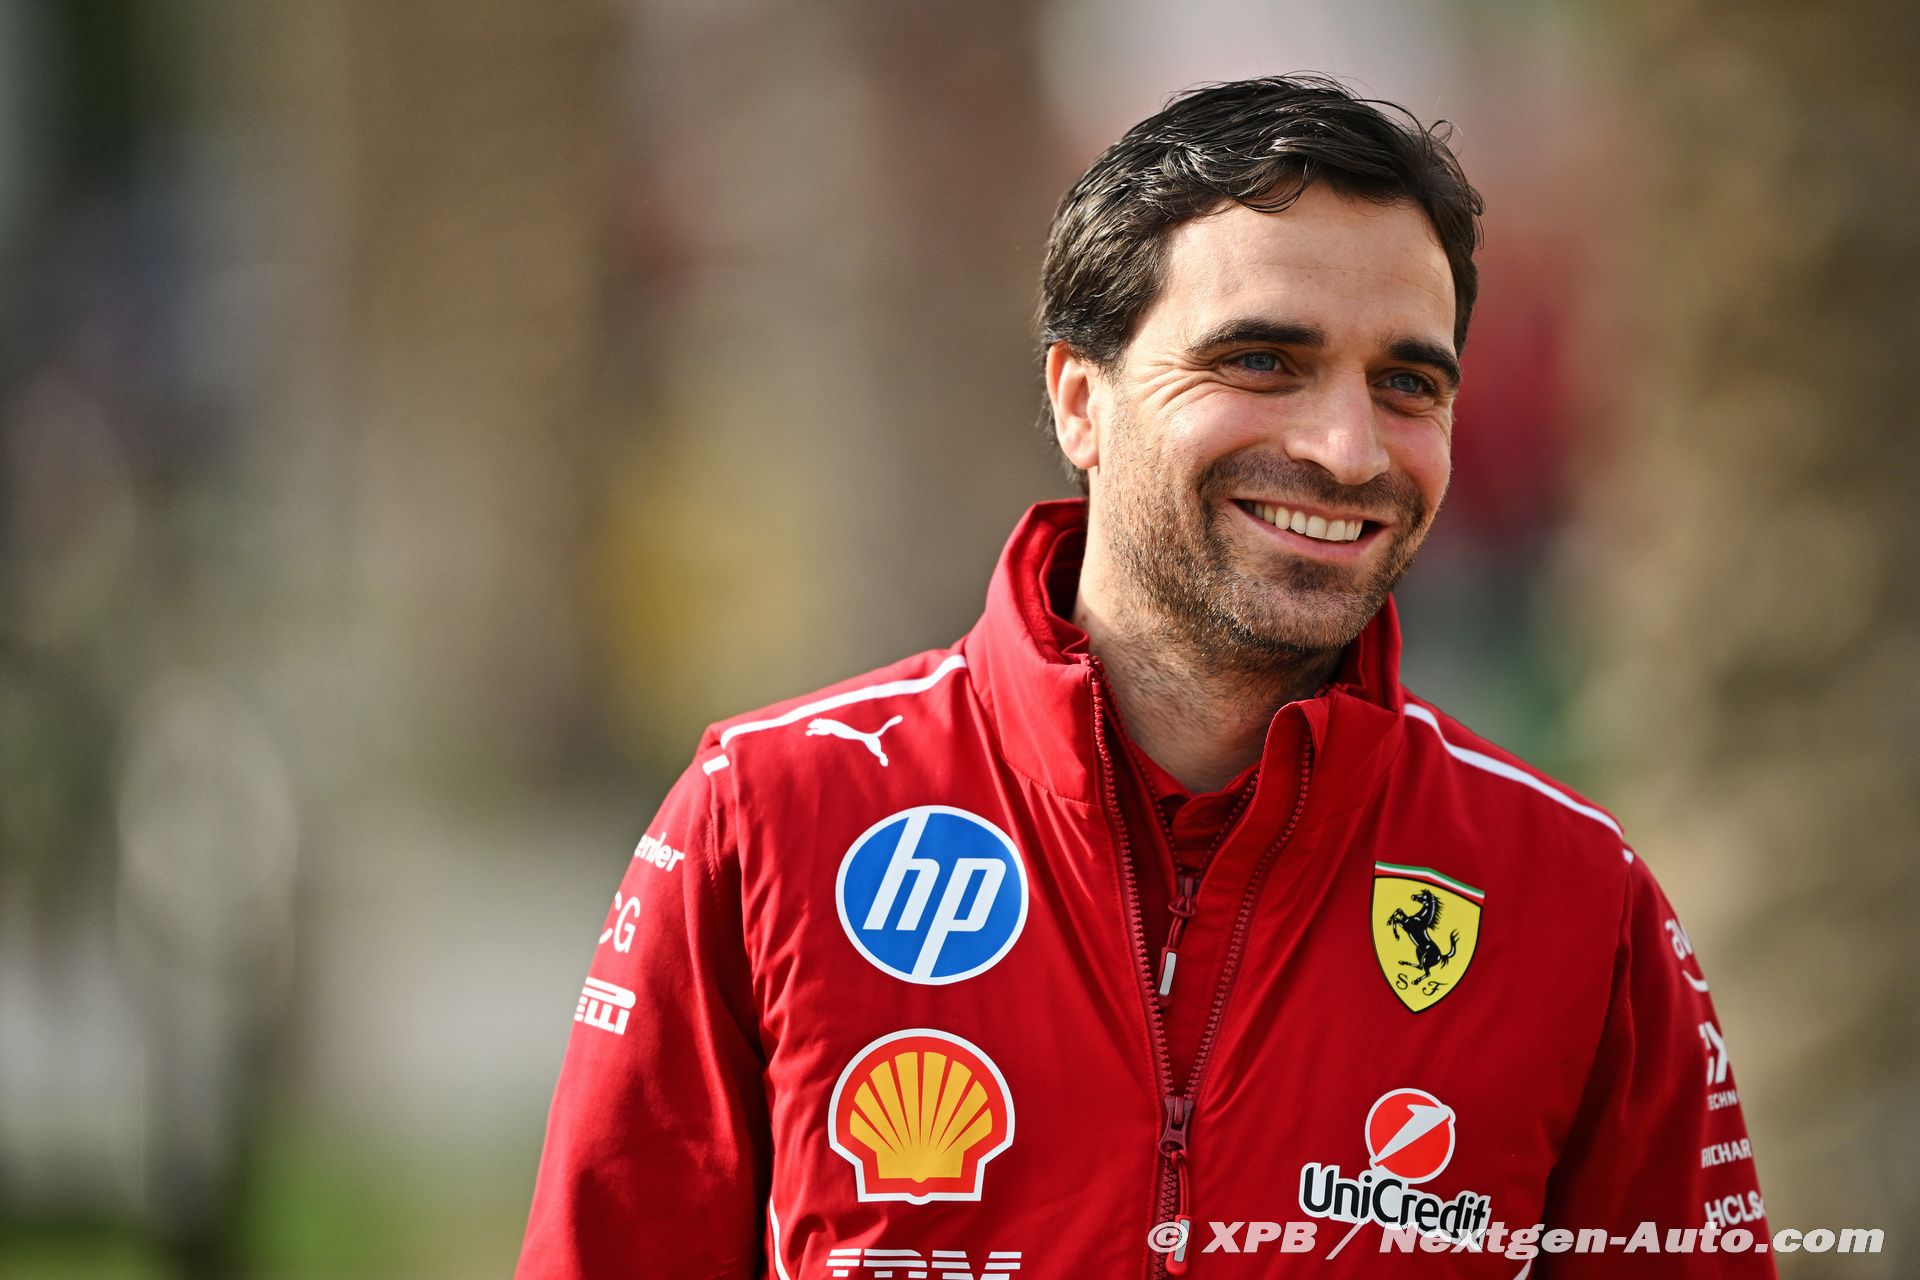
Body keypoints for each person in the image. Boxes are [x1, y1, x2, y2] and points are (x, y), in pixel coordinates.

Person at [515, 76, 1771, 1278]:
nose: (1348, 450)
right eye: (1261, 360)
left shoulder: (1576, 897)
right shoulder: (766, 819)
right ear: (1081, 398)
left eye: (1406, 382)